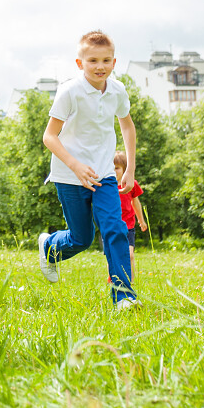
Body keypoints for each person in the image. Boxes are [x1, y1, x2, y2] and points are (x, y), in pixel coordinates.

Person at [36, 31, 140, 310]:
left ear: (114, 62)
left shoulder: (117, 91)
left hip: (105, 174)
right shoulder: (69, 91)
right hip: (69, 175)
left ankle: (124, 296)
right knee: (81, 238)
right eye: (93, 60)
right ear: (80, 63)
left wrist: (129, 167)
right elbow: (49, 136)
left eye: (106, 60)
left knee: (114, 228)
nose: (100, 66)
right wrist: (76, 165)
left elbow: (127, 126)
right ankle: (49, 247)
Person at [113, 151, 147, 283]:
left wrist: (141, 220)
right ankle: (113, 279)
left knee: (130, 254)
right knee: (113, 254)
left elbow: (136, 203)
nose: (114, 171)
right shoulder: (107, 186)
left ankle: (131, 281)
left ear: (124, 169)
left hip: (128, 225)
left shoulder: (131, 184)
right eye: (111, 168)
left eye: (117, 168)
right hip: (113, 225)